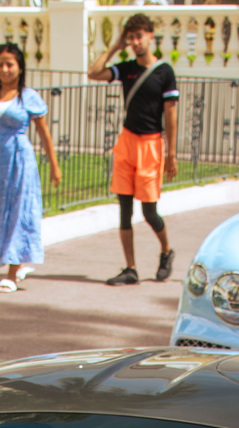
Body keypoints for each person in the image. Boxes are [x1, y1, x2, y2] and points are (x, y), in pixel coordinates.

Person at [89, 14, 177, 286]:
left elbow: (171, 114)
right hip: (127, 142)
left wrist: (170, 154)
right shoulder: (126, 68)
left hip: (151, 145)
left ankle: (166, 251)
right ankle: (131, 268)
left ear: (151, 35)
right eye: (131, 38)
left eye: (140, 36)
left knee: (149, 212)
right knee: (124, 210)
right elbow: (93, 73)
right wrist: (115, 46)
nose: (136, 42)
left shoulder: (164, 72)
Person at [0, 42, 63, 293]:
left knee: (18, 211)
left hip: (19, 157)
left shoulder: (28, 96)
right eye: (1, 64)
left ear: (20, 67)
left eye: (10, 64)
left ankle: (12, 272)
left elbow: (44, 133)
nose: (5, 69)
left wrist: (54, 166)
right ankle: (19, 260)